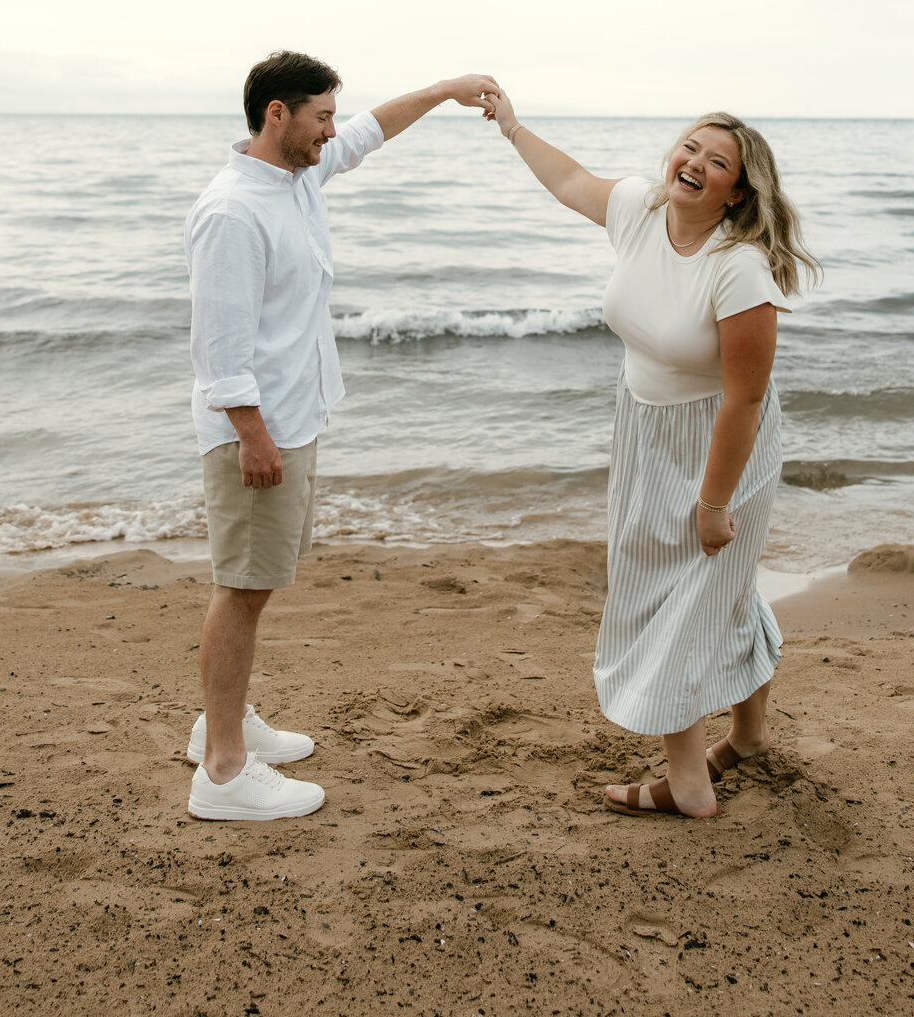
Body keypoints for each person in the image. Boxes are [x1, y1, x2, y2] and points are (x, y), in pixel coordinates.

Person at [483, 92, 819, 818]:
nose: (694, 163)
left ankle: (689, 781)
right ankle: (751, 736)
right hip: (644, 428)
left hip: (721, 443)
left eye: (717, 161)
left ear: (737, 190)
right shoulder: (639, 209)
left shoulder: (740, 270)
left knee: (681, 598)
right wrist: (511, 126)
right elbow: (570, 181)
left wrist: (712, 504)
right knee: (710, 588)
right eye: (690, 148)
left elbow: (745, 401)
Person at [184, 50, 499, 822]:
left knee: (258, 585)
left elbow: (369, 133)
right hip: (257, 431)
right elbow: (218, 349)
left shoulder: (297, 178)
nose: (333, 129)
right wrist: (254, 438)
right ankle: (223, 772)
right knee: (243, 585)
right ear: (276, 116)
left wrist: (443, 90)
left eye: (333, 114)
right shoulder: (233, 211)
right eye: (321, 116)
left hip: (295, 414)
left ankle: (222, 726)